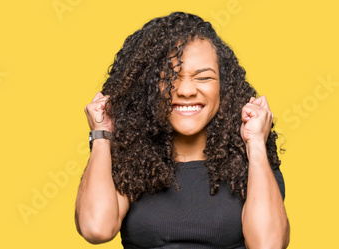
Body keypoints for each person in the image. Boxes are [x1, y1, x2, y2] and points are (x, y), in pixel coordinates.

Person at [75, 11, 290, 248]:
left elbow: (268, 244)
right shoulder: (131, 160)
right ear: (146, 88)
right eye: (169, 77)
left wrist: (257, 144)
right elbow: (96, 228)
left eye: (203, 78)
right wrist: (101, 135)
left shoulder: (250, 166)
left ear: (224, 88)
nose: (186, 90)